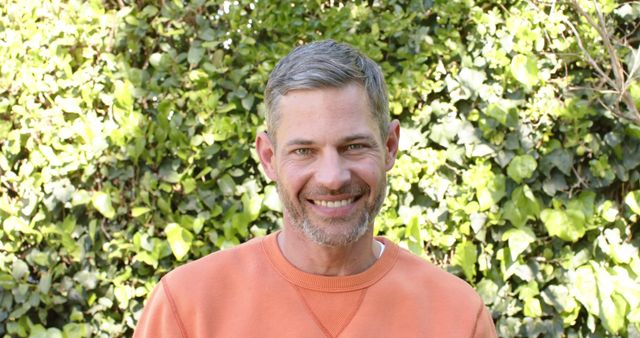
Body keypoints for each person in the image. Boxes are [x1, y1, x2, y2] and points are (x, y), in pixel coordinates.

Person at [133, 40, 498, 338]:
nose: (332, 177)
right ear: (268, 157)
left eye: (353, 146)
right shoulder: (188, 307)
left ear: (389, 147)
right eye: (304, 151)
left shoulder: (458, 316)